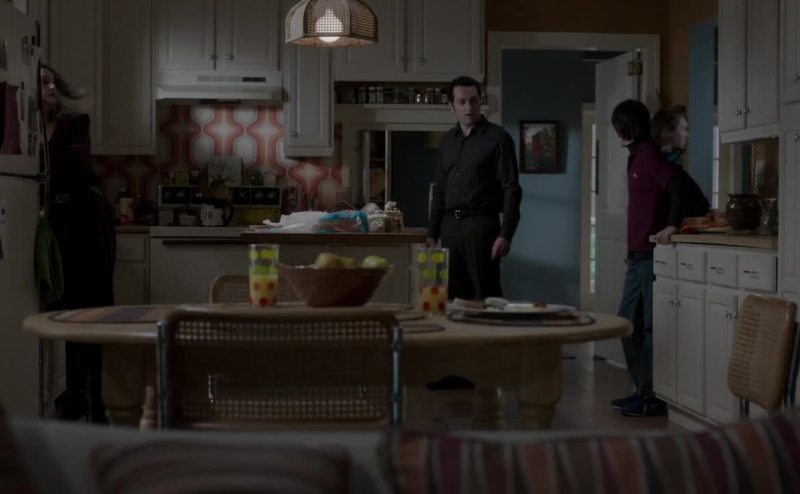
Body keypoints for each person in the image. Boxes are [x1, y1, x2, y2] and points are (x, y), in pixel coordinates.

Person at [609, 99, 709, 417]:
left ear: (625, 128)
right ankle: (642, 389)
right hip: (636, 257)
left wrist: (672, 224)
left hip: (651, 257)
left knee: (650, 327)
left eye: (617, 127)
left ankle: (650, 395)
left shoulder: (649, 157)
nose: (616, 133)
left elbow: (679, 185)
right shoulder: (637, 157)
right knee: (626, 323)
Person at [41, 63, 116, 422]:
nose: (50, 88)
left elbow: (72, 169)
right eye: (43, 83)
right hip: (56, 226)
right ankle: (73, 397)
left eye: (53, 82)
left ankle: (99, 404)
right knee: (66, 312)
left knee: (94, 312)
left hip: (88, 222)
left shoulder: (74, 124)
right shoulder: (25, 129)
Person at [426, 75, 522, 301]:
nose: (469, 107)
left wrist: (506, 234)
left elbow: (511, 188)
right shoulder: (447, 141)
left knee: (485, 292)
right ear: (452, 106)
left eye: (473, 100)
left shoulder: (498, 138)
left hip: (481, 225)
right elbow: (440, 189)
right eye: (462, 102)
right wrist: (432, 232)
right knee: (452, 295)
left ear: (480, 101)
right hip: (451, 225)